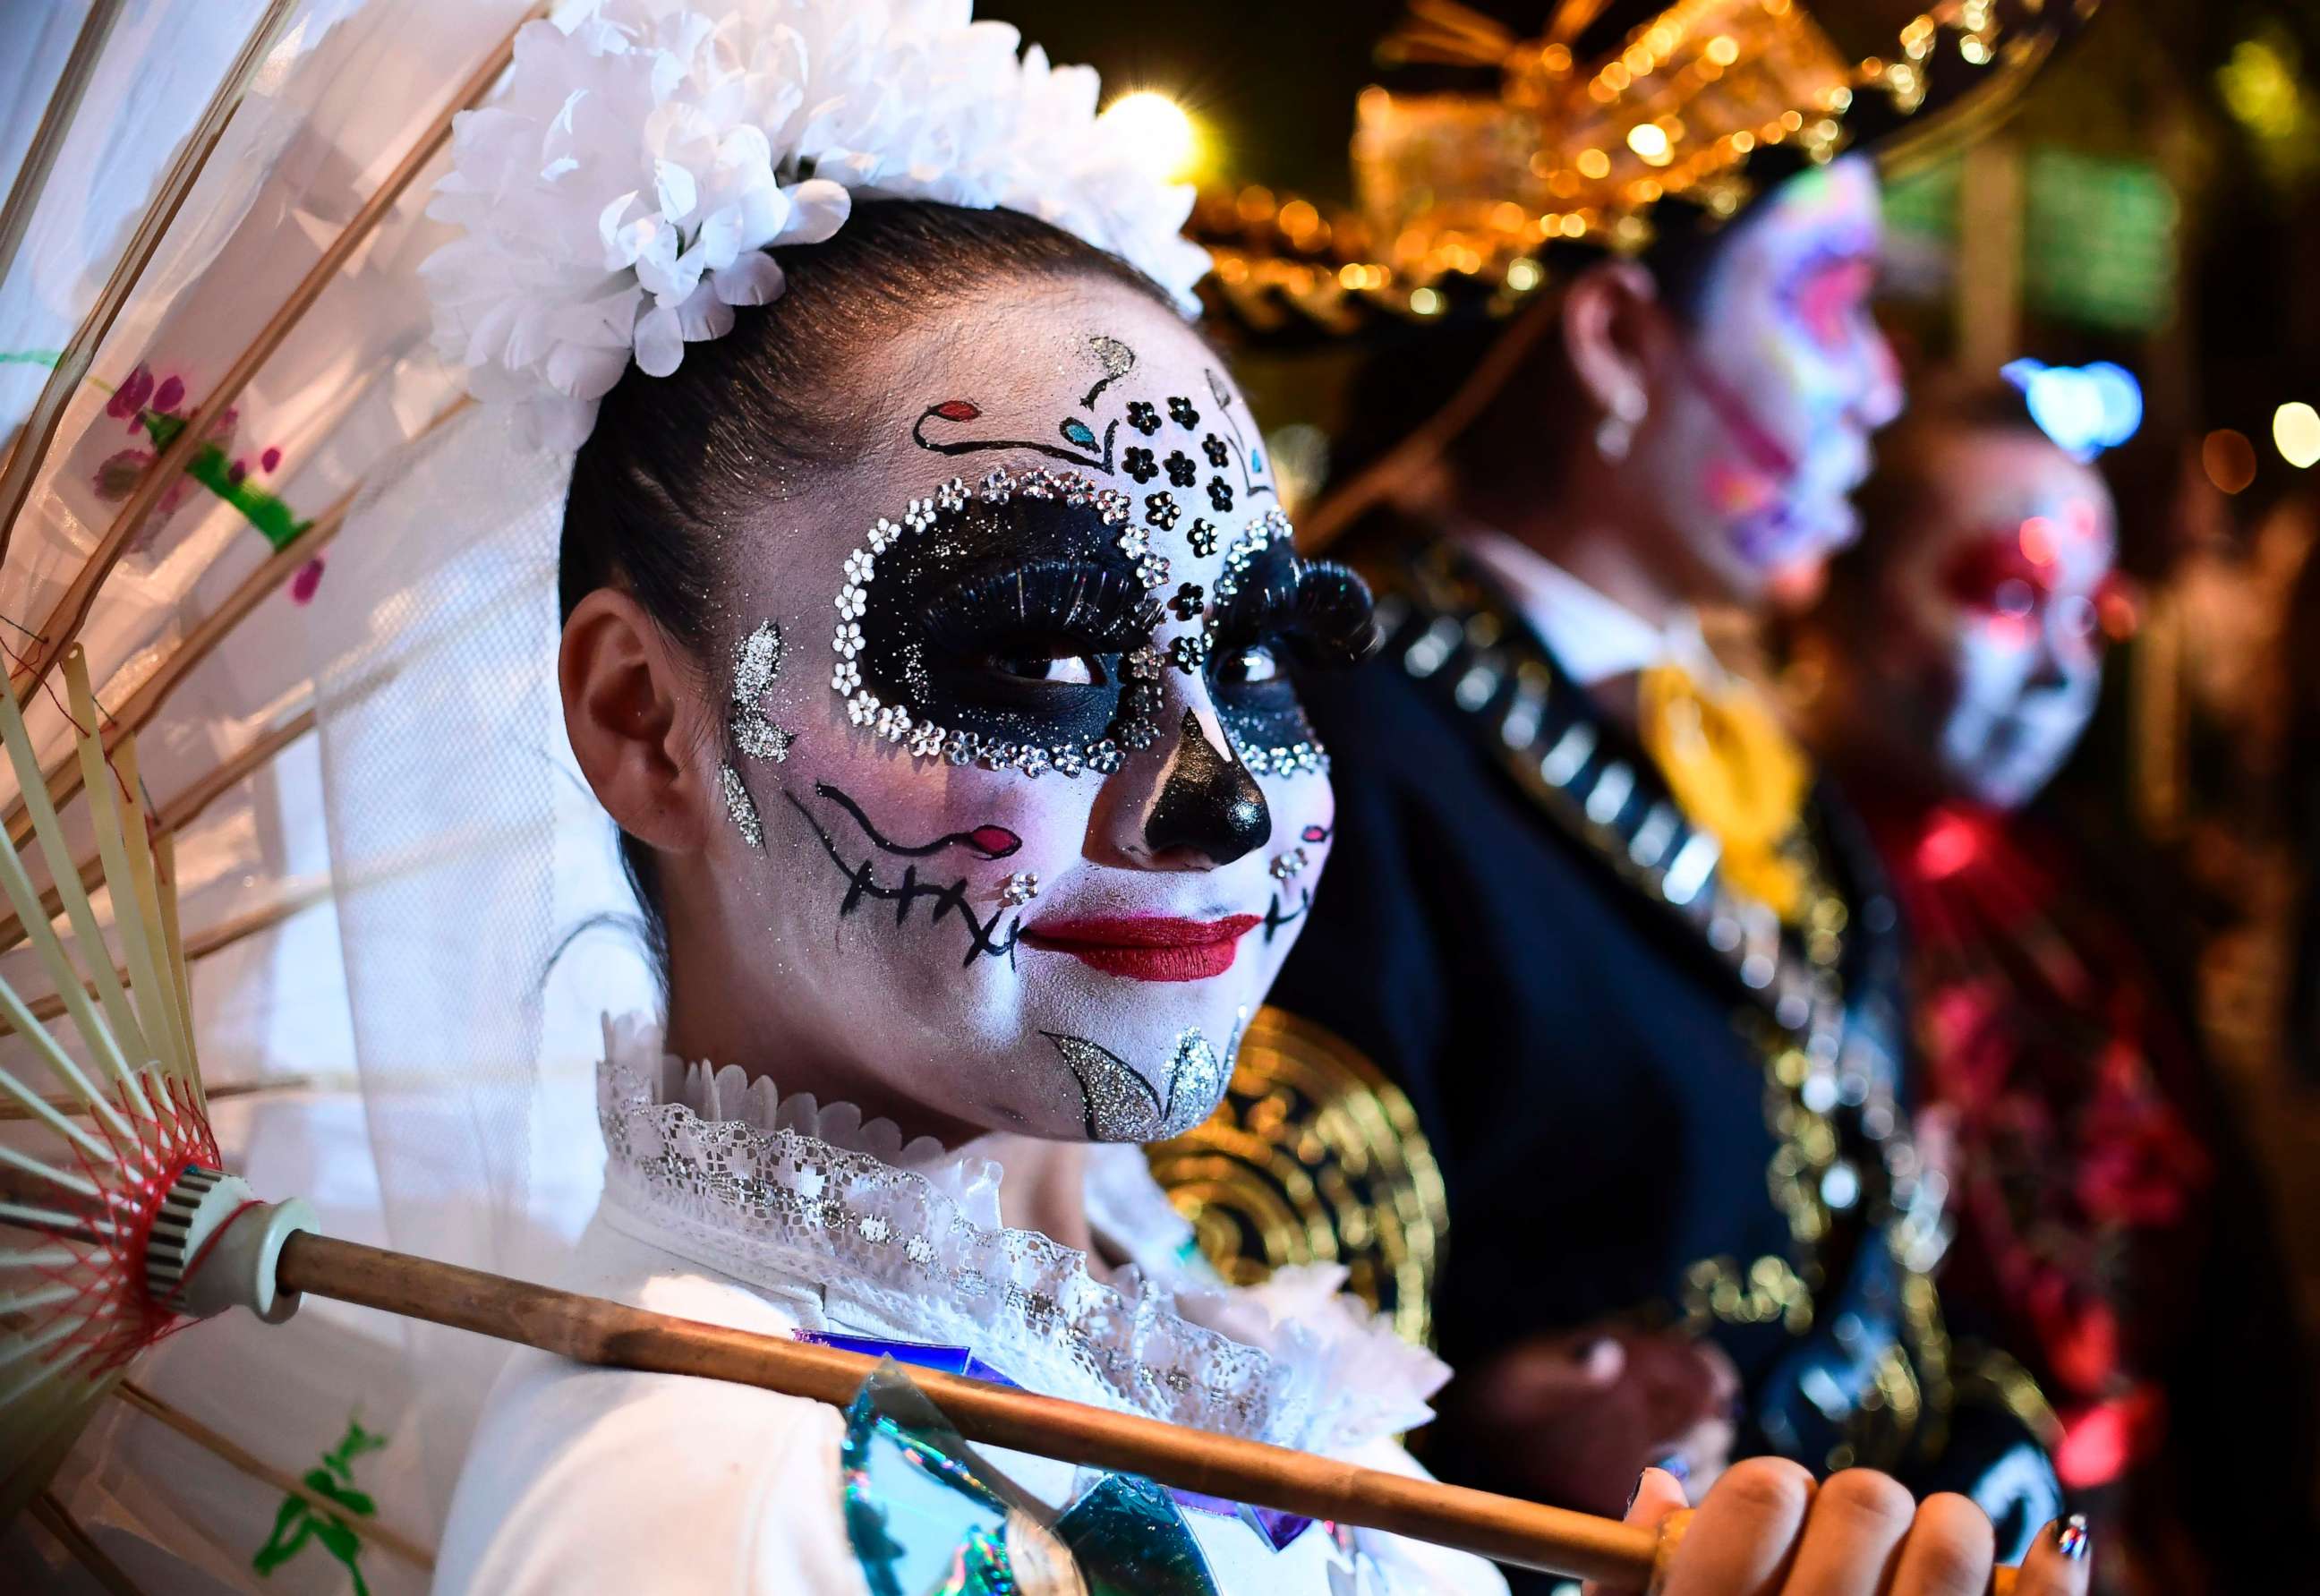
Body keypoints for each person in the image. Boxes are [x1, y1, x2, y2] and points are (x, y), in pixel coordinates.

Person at [390, 4, 2097, 1592]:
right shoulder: (721, 1501)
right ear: (645, 724)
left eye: (1266, 655)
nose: (1222, 802)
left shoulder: (1192, 1350)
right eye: (1042, 658)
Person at [1193, 0, 2093, 1569]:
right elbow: (1233, 1379)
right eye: (1832, 307)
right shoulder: (1330, 731)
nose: (1883, 388)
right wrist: (1481, 1456)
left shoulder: (1736, 749)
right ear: (1613, 339)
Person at [1793, 374, 2317, 1590]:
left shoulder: (2094, 884)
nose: (2061, 675)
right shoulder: (1764, 883)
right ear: (1850, 589)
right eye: (2012, 597)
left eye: (2091, 618)